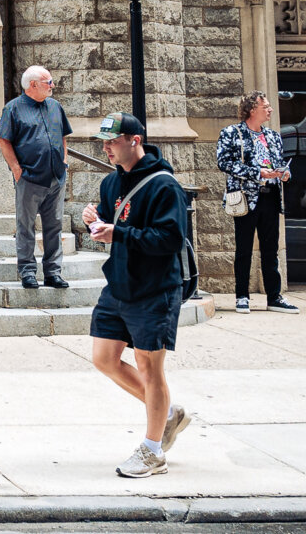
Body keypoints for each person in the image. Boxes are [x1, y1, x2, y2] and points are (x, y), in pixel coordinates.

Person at [82, 112, 192, 479]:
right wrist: (95, 220)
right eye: (104, 142)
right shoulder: (111, 184)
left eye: (112, 141)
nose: (106, 148)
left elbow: (170, 239)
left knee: (150, 367)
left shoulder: (165, 186)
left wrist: (120, 234)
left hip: (155, 288)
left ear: (134, 140)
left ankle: (153, 451)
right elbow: (116, 224)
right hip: (119, 285)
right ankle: (167, 413)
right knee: (104, 358)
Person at [216, 91, 297, 314]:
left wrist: (284, 173)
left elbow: (280, 161)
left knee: (270, 249)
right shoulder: (232, 133)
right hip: (245, 197)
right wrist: (257, 172)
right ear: (252, 109)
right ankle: (242, 296)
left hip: (270, 196)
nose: (270, 110)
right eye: (266, 106)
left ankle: (274, 297)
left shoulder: (272, 136)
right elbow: (224, 163)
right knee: (244, 249)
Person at [0, 65, 73, 291]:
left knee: (55, 226)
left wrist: (64, 162)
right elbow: (4, 140)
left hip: (55, 177)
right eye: (48, 82)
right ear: (33, 85)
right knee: (26, 226)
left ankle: (53, 272)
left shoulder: (55, 107)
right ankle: (28, 271)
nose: (53, 86)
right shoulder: (13, 108)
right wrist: (16, 169)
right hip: (29, 178)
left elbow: (62, 136)